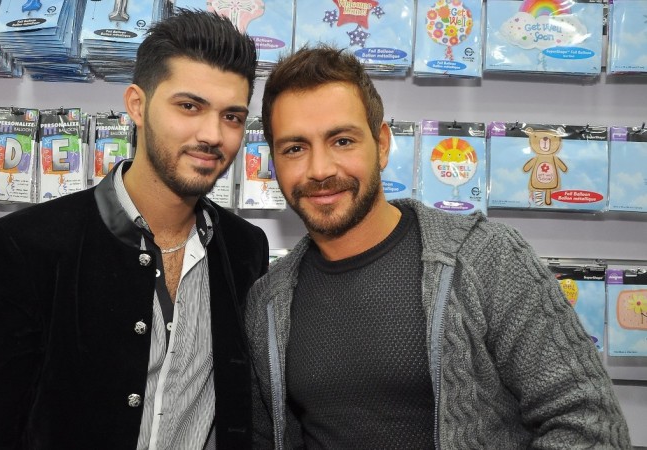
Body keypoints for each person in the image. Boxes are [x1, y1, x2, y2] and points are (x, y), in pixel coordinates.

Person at [245, 45, 631, 449]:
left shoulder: (486, 257)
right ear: (274, 161)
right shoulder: (267, 304)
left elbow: (591, 426)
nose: (320, 169)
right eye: (295, 148)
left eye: (342, 141)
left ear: (381, 144)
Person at [0, 9, 268, 450]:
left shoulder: (245, 247)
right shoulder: (22, 247)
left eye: (232, 116)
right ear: (137, 105)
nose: (213, 134)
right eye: (189, 106)